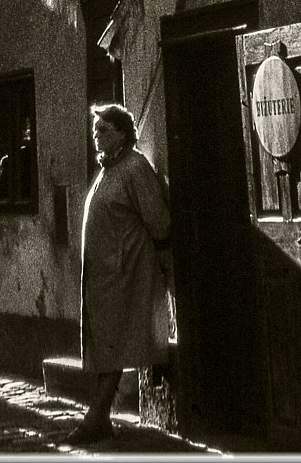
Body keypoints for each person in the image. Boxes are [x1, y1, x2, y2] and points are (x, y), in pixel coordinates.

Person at [72, 102, 172, 445]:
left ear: (123, 134)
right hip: (103, 277)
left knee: (113, 343)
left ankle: (95, 417)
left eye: (104, 130)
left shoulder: (133, 167)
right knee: (104, 344)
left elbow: (157, 219)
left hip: (125, 273)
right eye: (95, 129)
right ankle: (99, 417)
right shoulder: (108, 168)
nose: (96, 136)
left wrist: (162, 264)